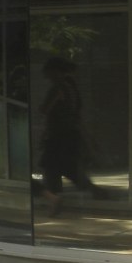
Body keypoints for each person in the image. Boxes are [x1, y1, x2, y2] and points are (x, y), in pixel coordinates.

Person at [35, 56, 98, 205]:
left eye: (48, 72)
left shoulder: (59, 88)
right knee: (60, 167)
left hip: (59, 135)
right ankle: (54, 197)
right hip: (67, 133)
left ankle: (54, 198)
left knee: (55, 166)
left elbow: (45, 109)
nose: (46, 76)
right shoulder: (71, 86)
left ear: (55, 71)